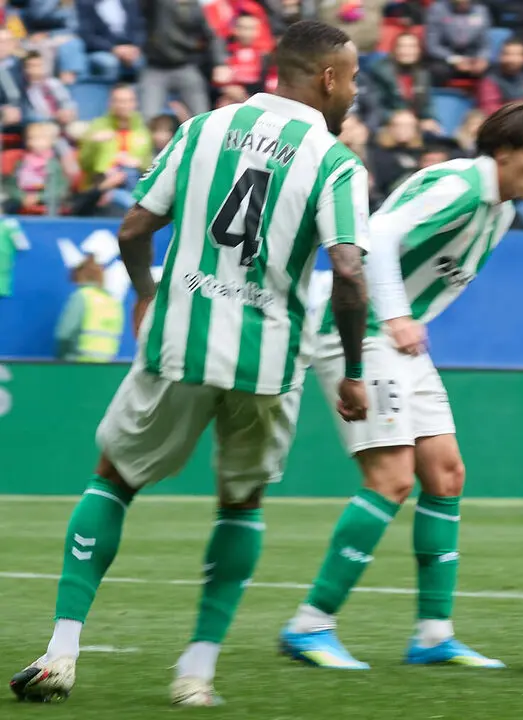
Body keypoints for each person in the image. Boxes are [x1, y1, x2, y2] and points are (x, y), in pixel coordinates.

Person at [9, 20, 373, 707]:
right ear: (327, 77)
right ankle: (196, 673)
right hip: (265, 363)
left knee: (114, 480)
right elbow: (349, 273)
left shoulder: (203, 128)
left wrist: (146, 295)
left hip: (180, 341)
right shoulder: (334, 162)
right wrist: (353, 370)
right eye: (351, 79)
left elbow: (133, 228)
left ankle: (61, 651)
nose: (353, 92)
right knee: (241, 502)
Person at [277, 101, 523, 671]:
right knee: (391, 478)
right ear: (503, 154)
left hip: (400, 337)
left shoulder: (500, 212)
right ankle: (310, 624)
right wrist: (399, 316)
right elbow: (374, 236)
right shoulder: (457, 185)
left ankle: (432, 634)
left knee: (446, 474)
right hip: (360, 328)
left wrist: (409, 323)